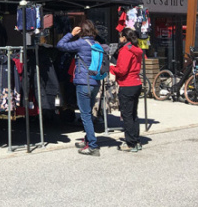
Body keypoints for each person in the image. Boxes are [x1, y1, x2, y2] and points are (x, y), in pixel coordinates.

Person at [57, 20, 102, 157]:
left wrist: (71, 34)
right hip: (95, 83)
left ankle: (93, 146)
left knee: (85, 115)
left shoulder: (81, 43)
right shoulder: (97, 44)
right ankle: (88, 140)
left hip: (83, 83)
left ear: (81, 31)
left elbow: (60, 45)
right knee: (88, 112)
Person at [111, 28, 144, 152]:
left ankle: (131, 143)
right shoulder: (137, 49)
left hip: (127, 84)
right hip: (136, 82)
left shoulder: (126, 50)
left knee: (127, 115)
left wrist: (111, 68)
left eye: (120, 36)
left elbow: (122, 70)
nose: (119, 39)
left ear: (124, 37)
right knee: (133, 114)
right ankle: (136, 141)